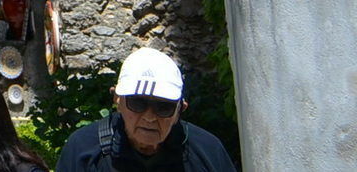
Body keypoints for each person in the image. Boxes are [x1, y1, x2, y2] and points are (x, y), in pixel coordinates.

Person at [51, 46, 237, 172]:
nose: (149, 117)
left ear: (180, 109)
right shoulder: (84, 150)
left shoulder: (207, 152)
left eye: (163, 107)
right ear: (117, 99)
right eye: (137, 103)